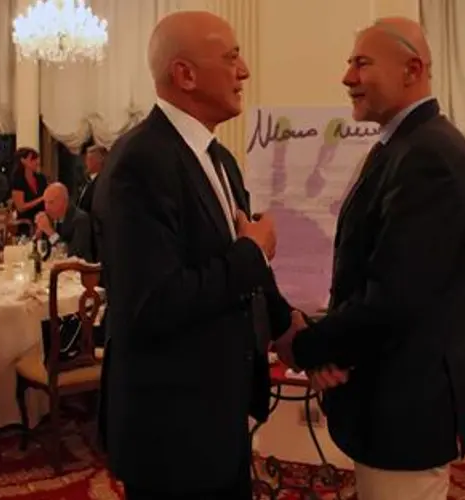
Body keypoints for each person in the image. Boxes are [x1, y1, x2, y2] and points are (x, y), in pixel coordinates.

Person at [274, 18, 465, 500]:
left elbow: (395, 297)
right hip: (393, 394)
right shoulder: (406, 146)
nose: (347, 77)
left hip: (408, 405)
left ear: (412, 69)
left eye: (362, 63)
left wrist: (309, 346)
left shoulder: (428, 156)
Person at [92, 11, 295, 499]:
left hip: (218, 415)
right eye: (231, 58)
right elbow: (153, 303)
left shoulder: (219, 159)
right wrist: (253, 253)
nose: (244, 70)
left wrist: (290, 327)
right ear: (185, 74)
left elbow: (237, 263)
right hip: (170, 429)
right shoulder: (139, 162)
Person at [34, 182, 93, 262]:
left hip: (76, 268)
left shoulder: (81, 219)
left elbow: (73, 255)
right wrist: (38, 236)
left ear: (64, 201)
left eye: (51, 202)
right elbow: (42, 253)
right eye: (45, 202)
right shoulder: (50, 217)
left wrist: (50, 232)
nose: (46, 207)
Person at [10, 148, 47, 235]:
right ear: (23, 160)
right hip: (26, 224)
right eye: (33, 159)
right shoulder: (18, 180)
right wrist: (41, 198)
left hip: (43, 222)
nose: (37, 162)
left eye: (37, 158)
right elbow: (21, 207)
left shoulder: (41, 178)